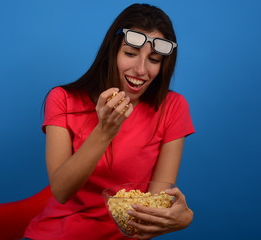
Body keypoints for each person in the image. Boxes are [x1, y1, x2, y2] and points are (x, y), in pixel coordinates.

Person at [23, 3, 195, 240]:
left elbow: (152, 211)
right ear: (112, 52)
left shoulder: (172, 107)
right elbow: (61, 191)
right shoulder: (63, 99)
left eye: (154, 59)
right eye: (130, 54)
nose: (141, 70)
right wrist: (105, 131)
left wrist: (182, 218)